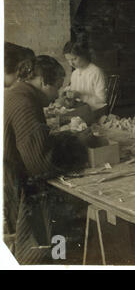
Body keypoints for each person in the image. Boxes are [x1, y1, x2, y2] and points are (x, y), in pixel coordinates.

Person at [3, 55, 87, 264]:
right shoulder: (25, 103)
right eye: (56, 87)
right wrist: (77, 144)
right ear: (42, 82)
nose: (57, 95)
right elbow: (41, 163)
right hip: (14, 188)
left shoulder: (14, 93)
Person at [62, 41, 107, 114]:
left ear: (83, 55)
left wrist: (81, 96)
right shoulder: (75, 73)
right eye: (68, 60)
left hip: (95, 110)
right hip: (79, 108)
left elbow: (102, 100)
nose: (71, 63)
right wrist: (69, 96)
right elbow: (74, 96)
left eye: (74, 59)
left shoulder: (96, 72)